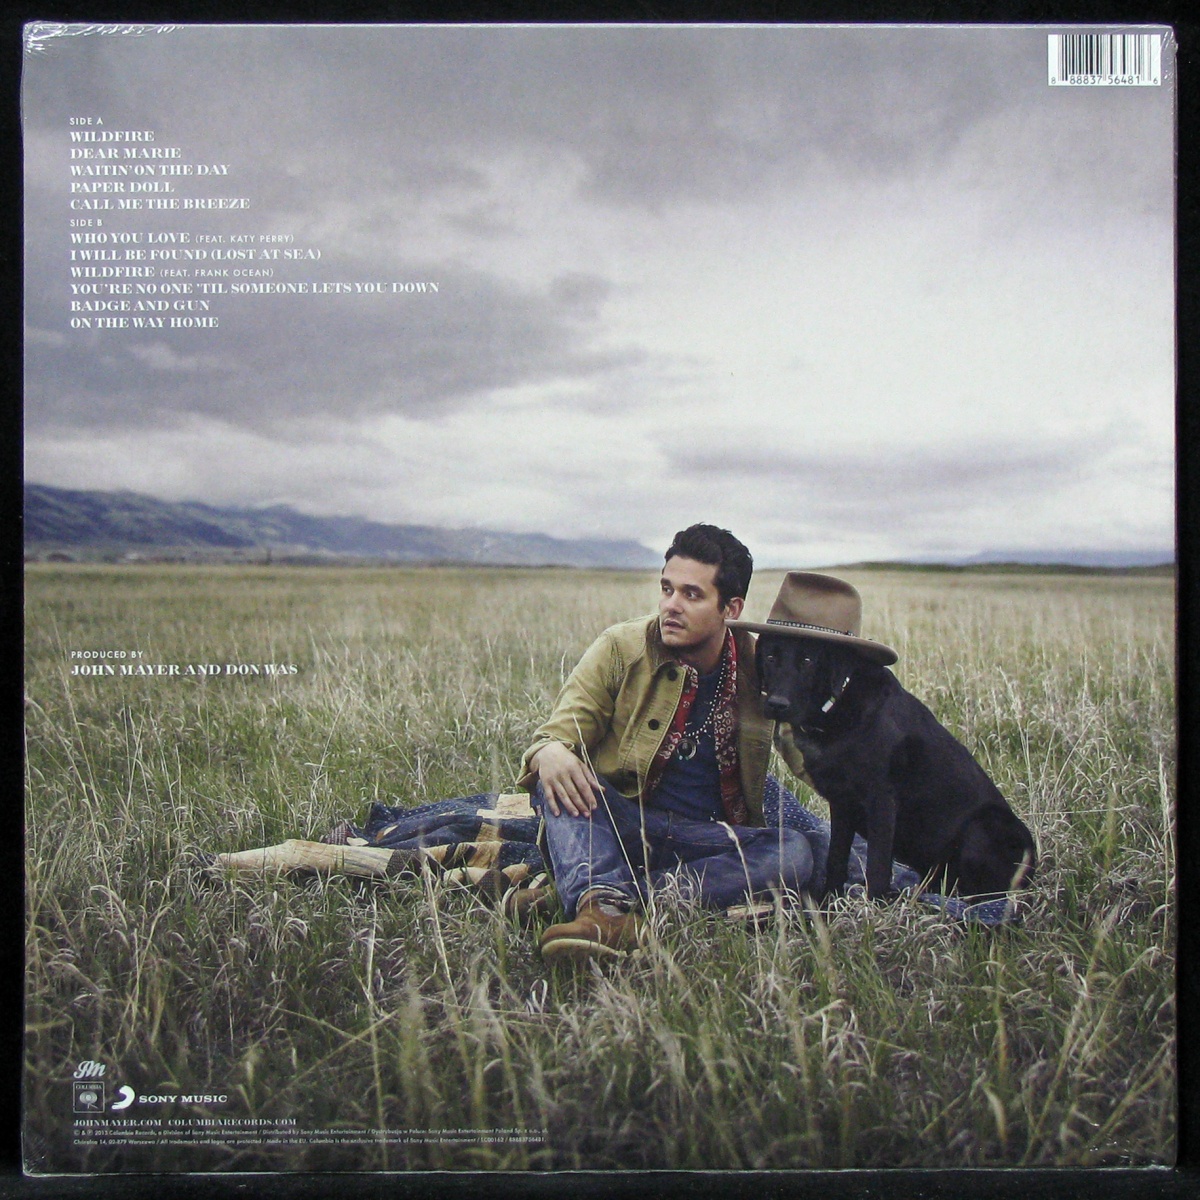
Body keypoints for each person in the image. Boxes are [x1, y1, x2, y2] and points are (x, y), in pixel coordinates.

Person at [519, 523, 812, 965]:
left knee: (794, 852)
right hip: (620, 820)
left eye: (692, 595)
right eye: (667, 589)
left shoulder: (758, 668)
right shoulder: (621, 647)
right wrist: (550, 752)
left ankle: (605, 902)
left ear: (731, 608)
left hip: (707, 836)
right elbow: (557, 734)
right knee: (555, 776)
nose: (671, 606)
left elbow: (811, 758)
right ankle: (602, 911)